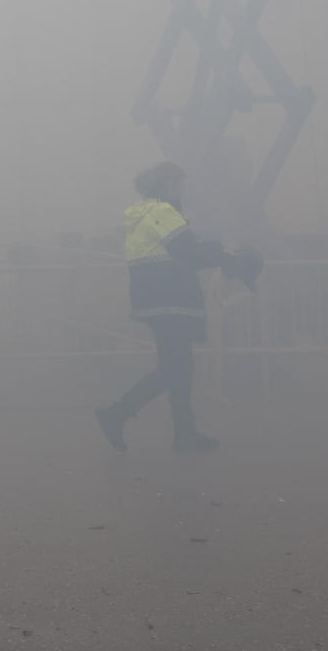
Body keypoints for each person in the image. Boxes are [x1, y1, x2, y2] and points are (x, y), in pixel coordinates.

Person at [94, 161, 256, 453]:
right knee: (175, 367)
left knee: (180, 366)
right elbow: (188, 252)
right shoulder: (162, 211)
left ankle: (183, 432)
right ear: (168, 185)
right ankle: (117, 414)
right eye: (180, 184)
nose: (184, 189)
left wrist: (217, 251)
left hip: (157, 300)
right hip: (169, 300)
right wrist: (225, 254)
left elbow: (182, 248)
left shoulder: (146, 213)